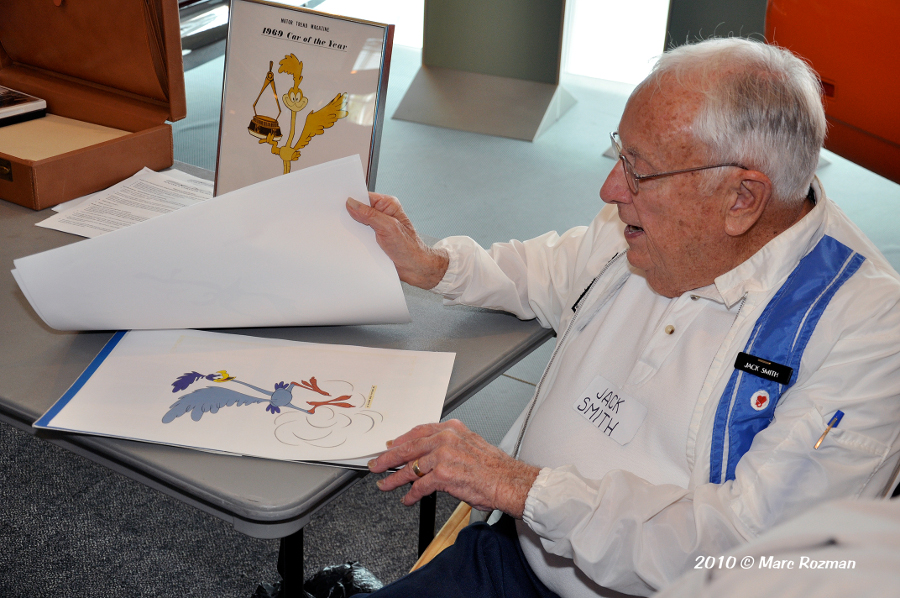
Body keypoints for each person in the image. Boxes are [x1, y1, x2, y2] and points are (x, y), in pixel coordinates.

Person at [343, 37, 900, 597]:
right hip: (513, 559)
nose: (611, 190)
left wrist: (523, 487)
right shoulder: (649, 225)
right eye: (621, 155)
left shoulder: (868, 329)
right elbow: (550, 269)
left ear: (741, 199)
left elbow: (751, 550)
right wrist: (434, 263)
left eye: (640, 171)